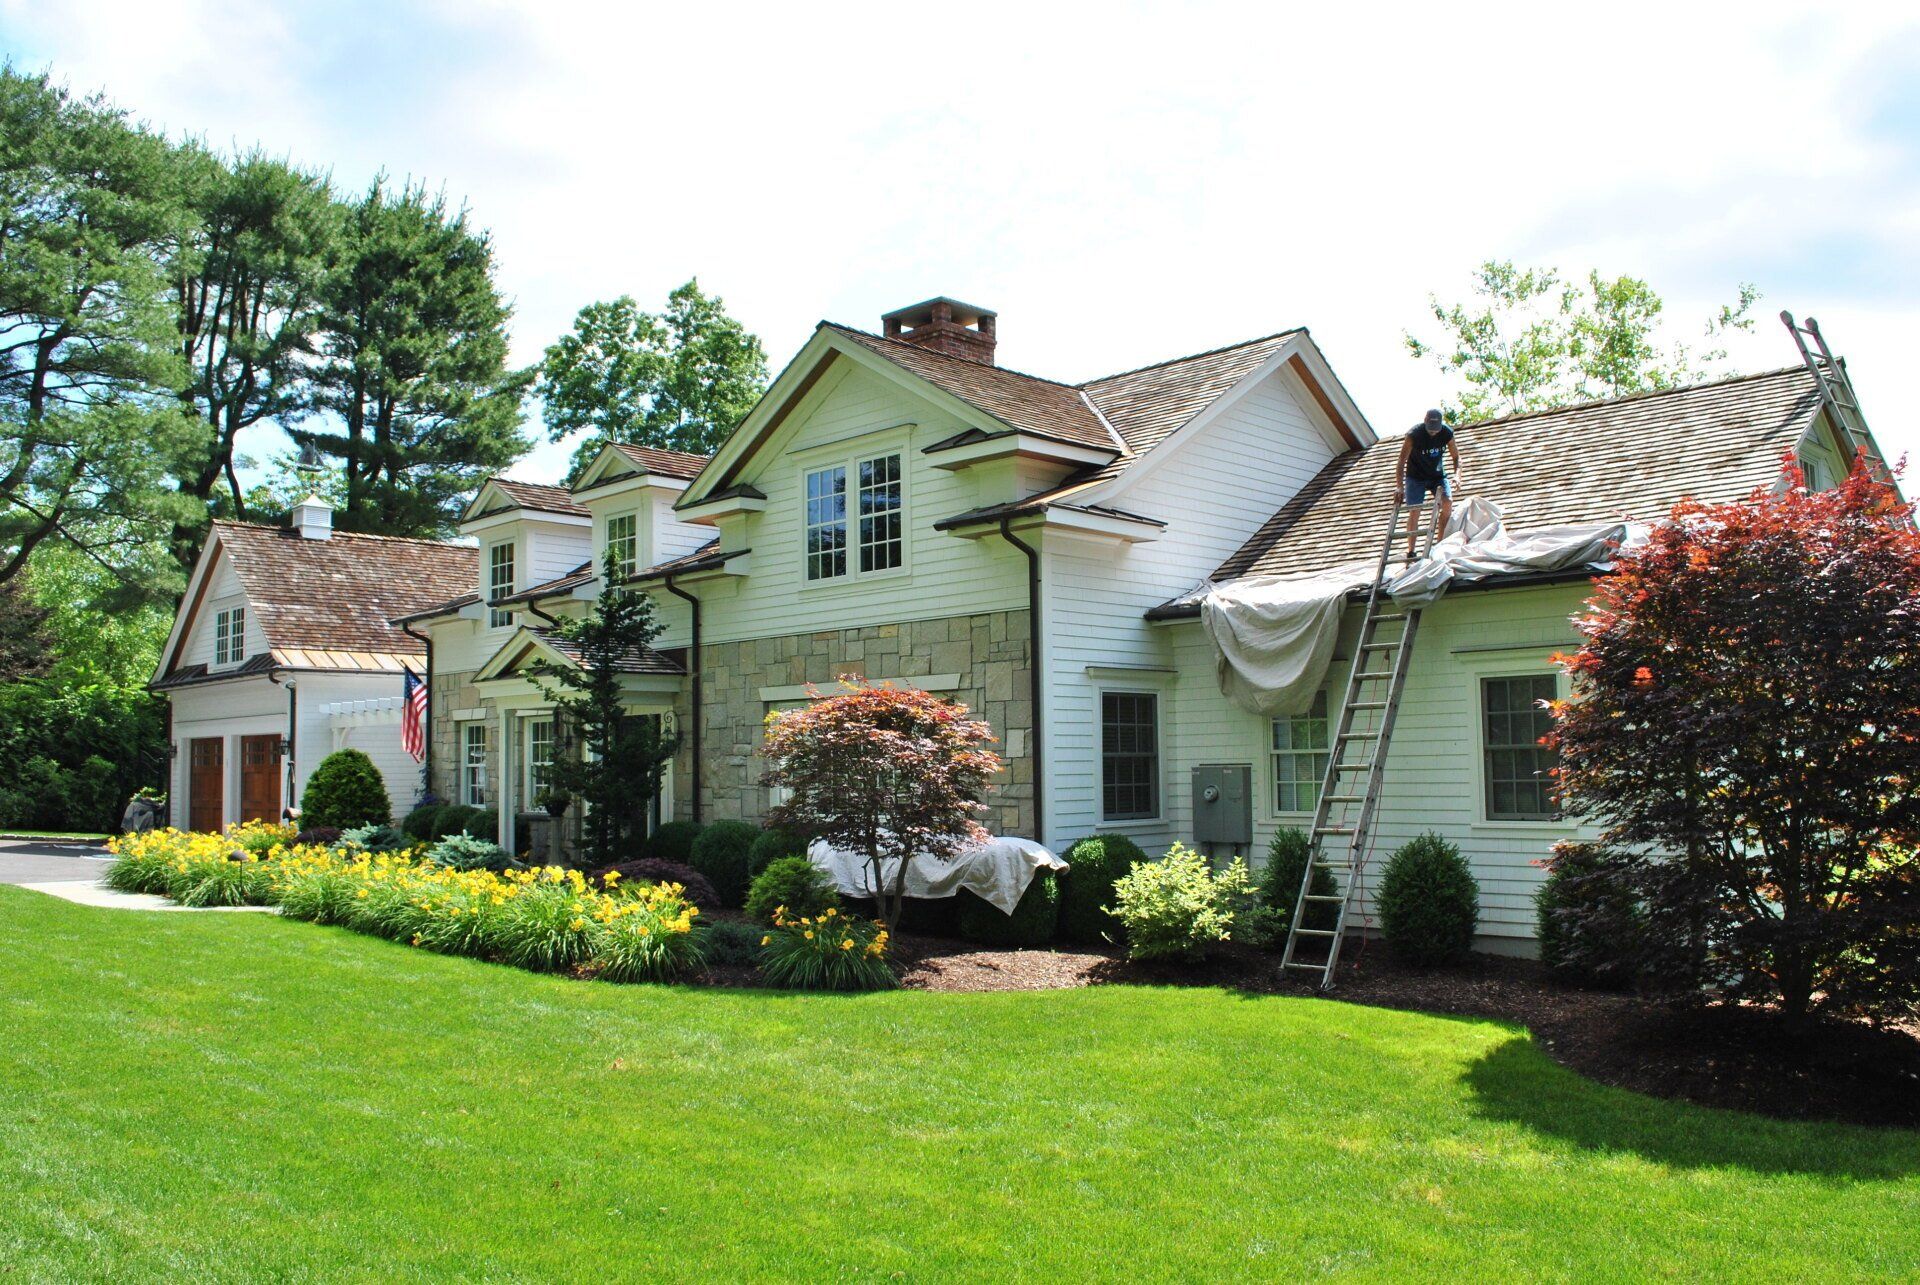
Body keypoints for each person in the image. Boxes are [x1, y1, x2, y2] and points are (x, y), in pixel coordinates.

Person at [1395, 408, 1459, 559]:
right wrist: (1399, 486)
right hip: (1415, 476)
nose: (1433, 433)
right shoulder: (1414, 435)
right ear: (1425, 422)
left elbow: (1456, 457)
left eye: (1436, 430)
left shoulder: (1447, 433)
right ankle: (1411, 550)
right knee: (1415, 510)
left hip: (1437, 475)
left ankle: (1440, 543)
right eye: (1431, 429)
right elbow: (1401, 460)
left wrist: (1457, 476)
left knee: (1448, 502)